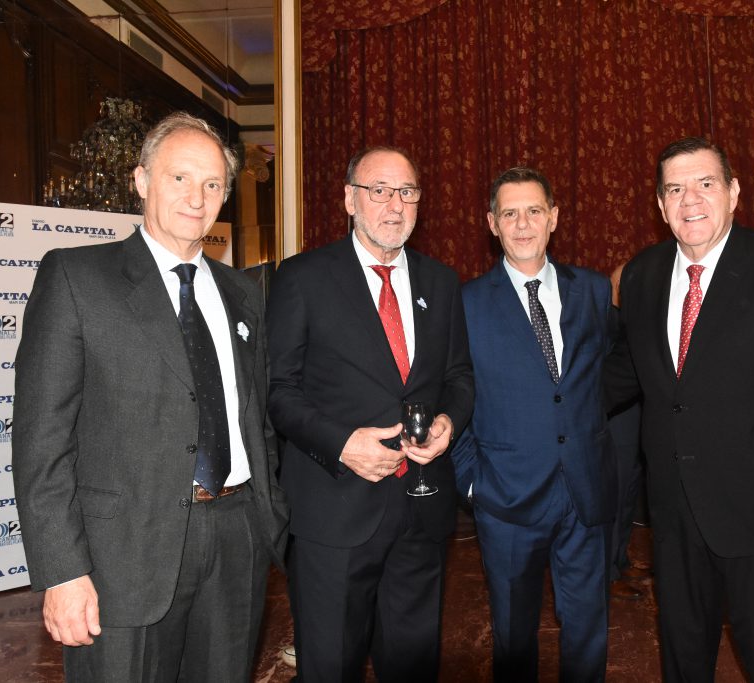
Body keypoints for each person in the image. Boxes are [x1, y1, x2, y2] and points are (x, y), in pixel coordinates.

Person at [12, 112, 289, 681]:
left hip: (235, 539)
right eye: (179, 177)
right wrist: (62, 571)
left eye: (212, 184)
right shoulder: (77, 278)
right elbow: (42, 441)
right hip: (121, 557)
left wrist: (267, 519)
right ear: (140, 180)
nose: (196, 197)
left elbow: (253, 419)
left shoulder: (243, 293)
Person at [605, 137, 754, 682]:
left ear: (734, 192)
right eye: (675, 189)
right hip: (673, 515)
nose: (690, 199)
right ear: (660, 205)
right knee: (684, 659)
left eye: (705, 184)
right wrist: (534, 405)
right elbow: (626, 373)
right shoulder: (642, 275)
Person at [266, 146, 474, 682]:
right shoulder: (302, 277)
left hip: (422, 508)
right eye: (379, 190)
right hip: (335, 512)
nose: (394, 204)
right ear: (349, 199)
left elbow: (459, 377)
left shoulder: (441, 282)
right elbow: (278, 391)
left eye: (407, 192)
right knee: (331, 666)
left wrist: (449, 423)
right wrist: (341, 444)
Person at [452, 167, 617, 682]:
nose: (522, 224)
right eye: (510, 214)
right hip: (506, 498)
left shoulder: (593, 290)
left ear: (554, 217)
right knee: (514, 636)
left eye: (533, 211)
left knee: (588, 629)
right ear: (492, 224)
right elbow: (452, 394)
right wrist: (472, 482)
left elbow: (610, 377)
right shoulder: (465, 303)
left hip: (586, 491)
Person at [606, 262, 651, 601]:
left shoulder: (637, 317)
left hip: (636, 418)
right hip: (615, 419)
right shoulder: (606, 321)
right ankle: (607, 573)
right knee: (615, 495)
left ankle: (620, 561)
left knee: (628, 494)